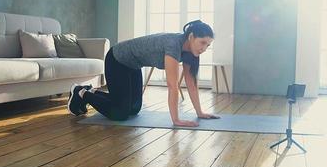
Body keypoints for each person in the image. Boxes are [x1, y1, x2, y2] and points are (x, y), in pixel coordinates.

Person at [67, 20, 220, 127]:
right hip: (117, 59)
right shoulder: (174, 44)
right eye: (202, 42)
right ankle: (81, 92)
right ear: (191, 37)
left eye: (208, 44)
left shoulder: (191, 52)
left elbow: (191, 84)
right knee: (120, 113)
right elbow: (172, 85)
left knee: (134, 109)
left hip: (133, 65)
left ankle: (92, 91)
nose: (204, 48)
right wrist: (176, 120)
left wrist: (200, 112)